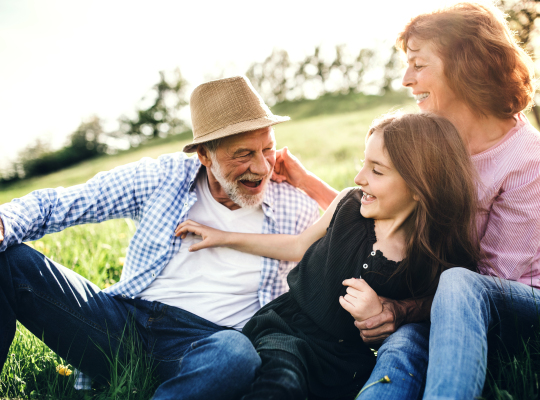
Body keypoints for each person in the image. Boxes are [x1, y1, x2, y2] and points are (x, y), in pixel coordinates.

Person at [274, 3, 540, 399]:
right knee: (400, 348)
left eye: (418, 64)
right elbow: (380, 210)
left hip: (519, 302)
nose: (407, 79)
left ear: (465, 64)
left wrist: (400, 308)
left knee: (458, 283)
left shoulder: (524, 155)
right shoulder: (434, 139)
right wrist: (307, 182)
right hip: (434, 304)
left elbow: (490, 283)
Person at [0, 76, 319, 400]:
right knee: (8, 259)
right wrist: (4, 223)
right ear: (205, 156)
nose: (262, 166)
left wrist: (309, 183)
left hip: (208, 344)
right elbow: (67, 202)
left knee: (237, 354)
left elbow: (356, 232)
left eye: (268, 149)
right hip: (125, 324)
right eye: (244, 154)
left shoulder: (295, 205)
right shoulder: (163, 177)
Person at [176, 111, 481, 399]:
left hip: (348, 360)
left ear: (420, 186)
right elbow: (297, 246)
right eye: (363, 163)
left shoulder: (432, 253)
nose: (360, 176)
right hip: (288, 330)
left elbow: (440, 305)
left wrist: (390, 310)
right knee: (281, 383)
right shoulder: (349, 204)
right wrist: (224, 237)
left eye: (376, 170)